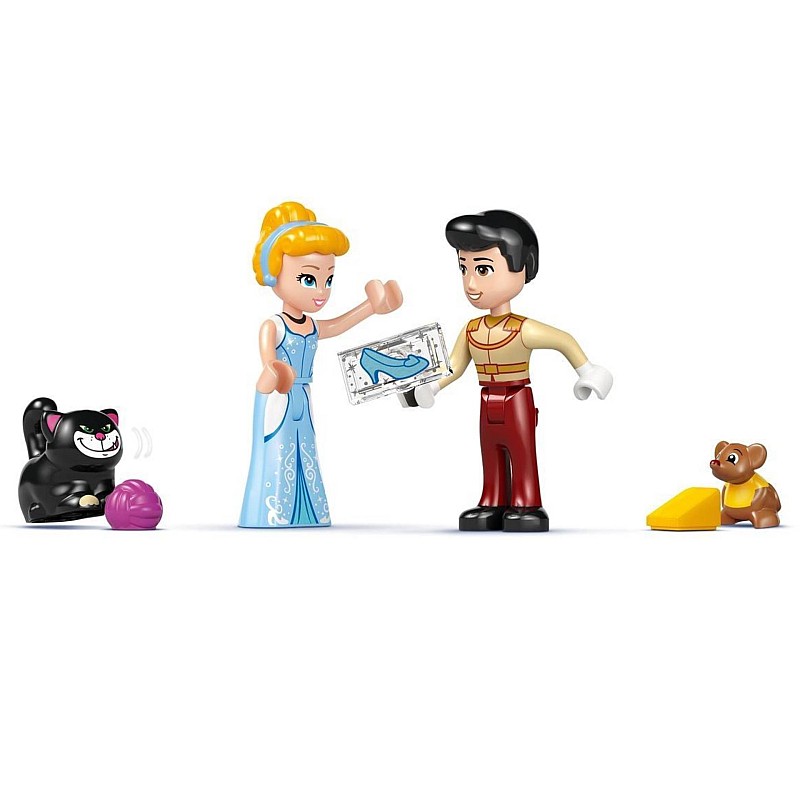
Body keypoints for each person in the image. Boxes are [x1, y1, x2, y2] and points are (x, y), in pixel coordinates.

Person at [401, 209, 612, 532]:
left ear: (524, 268)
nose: (471, 283)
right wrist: (431, 387)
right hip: (487, 400)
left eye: (483, 269)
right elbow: (454, 366)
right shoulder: (471, 329)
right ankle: (493, 500)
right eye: (463, 268)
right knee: (490, 452)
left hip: (516, 400)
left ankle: (527, 503)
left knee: (522, 452)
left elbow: (563, 340)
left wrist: (587, 371)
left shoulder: (523, 329)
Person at [239, 201, 402, 528]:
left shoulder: (310, 326)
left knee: (305, 449)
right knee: (277, 449)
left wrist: (371, 307)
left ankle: (307, 512)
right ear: (274, 273)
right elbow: (268, 362)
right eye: (308, 279)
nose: (322, 291)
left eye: (328, 279)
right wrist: (275, 372)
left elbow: (338, 325)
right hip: (277, 397)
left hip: (303, 395)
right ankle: (273, 513)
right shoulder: (274, 325)